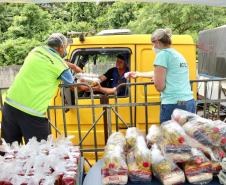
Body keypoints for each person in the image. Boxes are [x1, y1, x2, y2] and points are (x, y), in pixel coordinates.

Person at [1, 33, 82, 144]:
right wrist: (90, 85)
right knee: (41, 152)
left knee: (9, 151)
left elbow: (49, 60)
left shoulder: (36, 51)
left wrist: (72, 66)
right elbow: (74, 87)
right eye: (65, 48)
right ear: (60, 47)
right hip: (32, 113)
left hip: (10, 106)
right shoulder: (61, 67)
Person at [128, 28, 195, 123]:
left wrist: (155, 79)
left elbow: (159, 86)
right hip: (188, 102)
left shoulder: (162, 55)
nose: (153, 47)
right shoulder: (177, 55)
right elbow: (163, 72)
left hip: (173, 104)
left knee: (170, 136)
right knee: (187, 136)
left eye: (153, 43)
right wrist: (139, 74)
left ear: (157, 42)